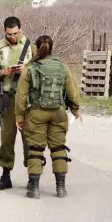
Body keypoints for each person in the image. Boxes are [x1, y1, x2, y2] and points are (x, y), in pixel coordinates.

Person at [15, 34, 81, 199]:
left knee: (35, 148)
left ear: (37, 48)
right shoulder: (62, 67)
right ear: (52, 48)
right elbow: (72, 93)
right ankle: (60, 188)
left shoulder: (30, 68)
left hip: (36, 113)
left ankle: (34, 188)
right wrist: (75, 111)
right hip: (58, 112)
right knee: (59, 148)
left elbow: (21, 96)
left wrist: (19, 117)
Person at [0, 16, 37, 190]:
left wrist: (27, 69)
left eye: (15, 33)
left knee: (29, 139)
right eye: (9, 34)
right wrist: (3, 71)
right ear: (4, 31)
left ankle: (32, 177)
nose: (12, 37)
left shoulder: (31, 47)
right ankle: (5, 176)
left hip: (28, 101)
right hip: (7, 100)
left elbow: (41, 69)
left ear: (21, 29)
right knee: (6, 140)